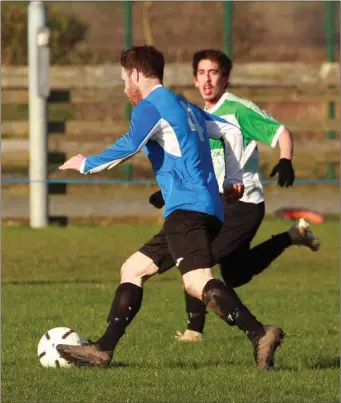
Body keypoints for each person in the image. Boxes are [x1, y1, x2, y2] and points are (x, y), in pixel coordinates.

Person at [56, 45, 284, 370]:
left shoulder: (152, 106)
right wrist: (231, 178)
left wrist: (86, 163)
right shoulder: (184, 105)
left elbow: (128, 145)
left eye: (124, 81)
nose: (124, 89)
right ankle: (103, 349)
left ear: (136, 74)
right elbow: (231, 130)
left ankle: (260, 332)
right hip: (204, 209)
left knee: (196, 282)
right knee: (133, 269)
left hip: (186, 212)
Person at [148, 49, 320, 343]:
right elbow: (198, 163)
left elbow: (280, 132)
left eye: (213, 72)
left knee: (199, 259)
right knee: (237, 274)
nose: (207, 79)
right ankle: (291, 236)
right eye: (201, 73)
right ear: (194, 78)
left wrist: (286, 159)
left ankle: (194, 331)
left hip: (243, 203)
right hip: (214, 203)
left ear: (225, 79)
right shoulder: (196, 116)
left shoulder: (238, 110)